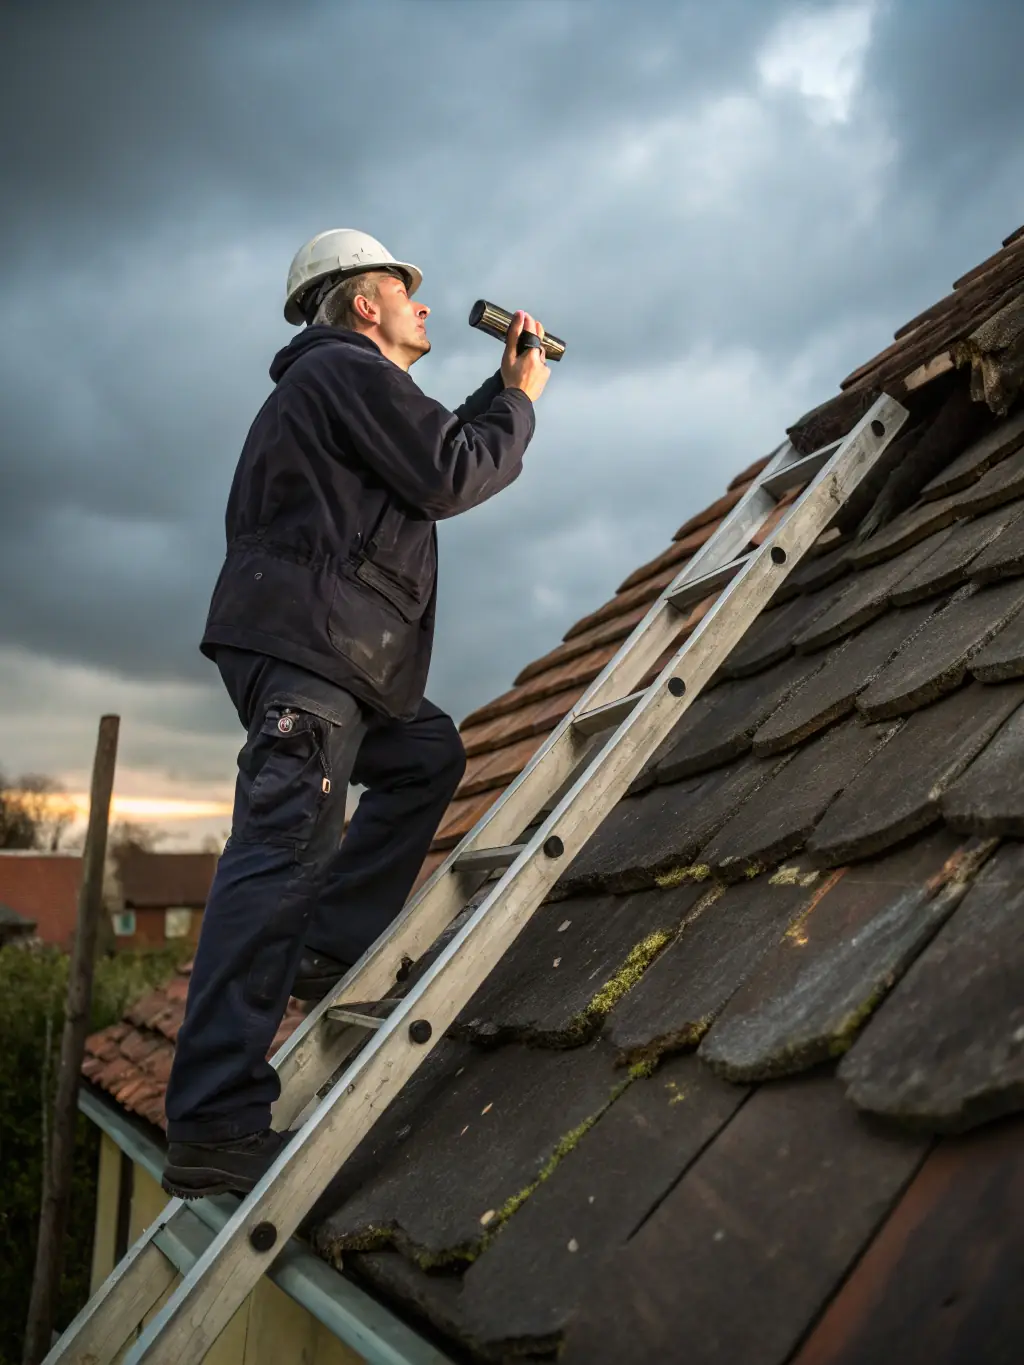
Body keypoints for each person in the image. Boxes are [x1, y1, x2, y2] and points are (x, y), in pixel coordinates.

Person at [161, 229, 550, 1198]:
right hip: (314, 652)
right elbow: (453, 476)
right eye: (403, 289)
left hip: (328, 654)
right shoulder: (344, 368)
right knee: (280, 851)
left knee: (424, 753)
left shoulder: (333, 386)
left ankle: (332, 941)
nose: (424, 305)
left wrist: (491, 393)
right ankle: (213, 1125)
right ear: (361, 302)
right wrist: (519, 400)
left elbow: (423, 456)